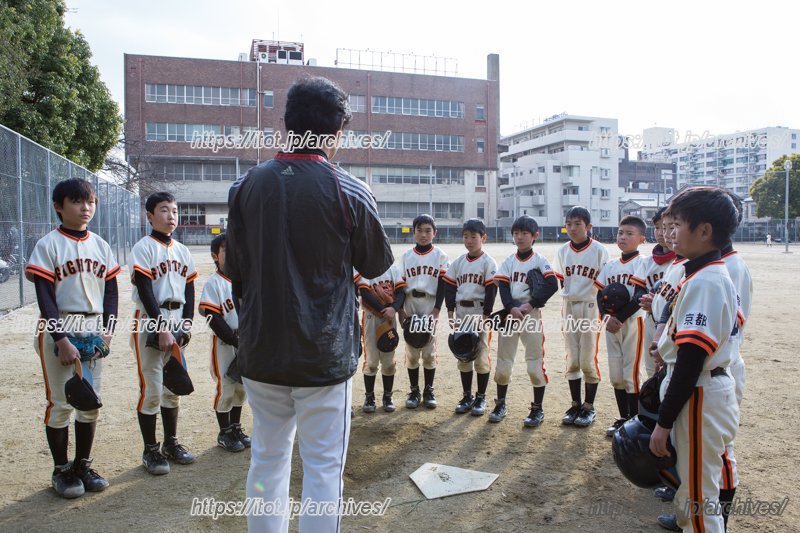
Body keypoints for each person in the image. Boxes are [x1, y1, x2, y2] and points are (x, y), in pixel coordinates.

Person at [226, 76, 393, 532]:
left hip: (261, 350)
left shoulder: (244, 187)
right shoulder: (350, 189)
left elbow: (234, 266)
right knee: (322, 469)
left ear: (286, 125)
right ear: (338, 129)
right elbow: (376, 263)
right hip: (323, 355)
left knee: (268, 459)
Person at [649, 186, 740, 533]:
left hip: (700, 392)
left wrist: (664, 422)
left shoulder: (707, 280)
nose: (671, 232)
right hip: (700, 390)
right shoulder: (699, 273)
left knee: (700, 501)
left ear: (704, 231)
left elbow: (690, 360)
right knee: (695, 494)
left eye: (679, 224)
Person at [26, 178, 120, 498]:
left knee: (89, 402)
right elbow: (45, 295)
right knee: (62, 402)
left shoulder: (101, 245)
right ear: (58, 206)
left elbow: (111, 293)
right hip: (61, 325)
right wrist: (60, 338)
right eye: (77, 201)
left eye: (90, 201)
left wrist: (108, 330)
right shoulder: (48, 244)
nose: (85, 208)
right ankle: (62, 470)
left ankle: (83, 465)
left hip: (93, 329)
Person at [130, 192, 198, 475]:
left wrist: (187, 323)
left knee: (172, 387)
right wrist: (160, 327)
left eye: (174, 210)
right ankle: (151, 450)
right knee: (153, 388)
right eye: (163, 210)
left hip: (177, 316)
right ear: (149, 215)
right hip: (151, 317)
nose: (171, 216)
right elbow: (145, 289)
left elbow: (190, 289)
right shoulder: (144, 247)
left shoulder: (183, 250)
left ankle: (171, 443)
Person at [490, 216, 558, 426]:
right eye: (516, 233)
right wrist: (510, 307)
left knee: (534, 365)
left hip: (531, 315)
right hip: (511, 316)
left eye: (524, 233)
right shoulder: (509, 261)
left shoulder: (539, 260)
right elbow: (502, 286)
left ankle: (537, 409)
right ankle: (500, 403)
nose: (519, 237)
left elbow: (552, 284)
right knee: (503, 364)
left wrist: (531, 304)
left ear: (535, 235)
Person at [552, 206, 609, 427]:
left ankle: (589, 406)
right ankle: (575, 404)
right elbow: (560, 279)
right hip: (569, 305)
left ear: (588, 227)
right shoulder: (563, 250)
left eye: (578, 224)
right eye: (569, 224)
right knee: (572, 359)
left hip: (590, 305)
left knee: (587, 359)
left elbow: (604, 285)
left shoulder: (599, 250)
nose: (573, 228)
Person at [594, 215, 648, 437]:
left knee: (631, 373)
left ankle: (634, 421)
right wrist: (606, 318)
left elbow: (639, 296)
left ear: (642, 239)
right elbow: (600, 293)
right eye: (620, 233)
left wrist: (620, 318)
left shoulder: (642, 262)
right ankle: (622, 418)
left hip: (632, 322)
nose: (623, 237)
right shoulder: (611, 265)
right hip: (611, 325)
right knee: (616, 374)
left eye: (629, 233)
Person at [198, 233, 250, 452]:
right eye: (226, 250)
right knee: (226, 387)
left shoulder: (246, 281)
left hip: (245, 341)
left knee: (242, 388)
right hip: (225, 342)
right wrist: (232, 339)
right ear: (214, 256)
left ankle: (236, 426)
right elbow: (211, 316)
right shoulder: (214, 283)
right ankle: (224, 431)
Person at [443, 218, 498, 416]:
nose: (469, 240)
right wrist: (450, 310)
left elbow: (491, 289)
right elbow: (449, 286)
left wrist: (486, 314)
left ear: (483, 237)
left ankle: (481, 397)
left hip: (479, 311)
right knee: (463, 355)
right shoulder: (458, 262)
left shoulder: (488, 262)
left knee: (481, 357)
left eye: (473, 237)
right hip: (461, 311)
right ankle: (467, 396)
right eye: (465, 236)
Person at [398, 214, 449, 409]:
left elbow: (443, 284)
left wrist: (437, 309)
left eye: (428, 231)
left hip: (429, 304)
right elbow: (401, 286)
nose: (423, 235)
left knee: (428, 350)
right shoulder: (406, 257)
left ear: (434, 233)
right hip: (411, 303)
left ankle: (428, 390)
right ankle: (413, 390)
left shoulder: (440, 256)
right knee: (412, 350)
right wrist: (400, 310)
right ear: (414, 232)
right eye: (419, 230)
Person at [357, 264, 406, 412]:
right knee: (371, 361)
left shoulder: (394, 269)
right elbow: (364, 292)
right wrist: (383, 309)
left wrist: (394, 308)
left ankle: (387, 396)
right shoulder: (365, 268)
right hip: (372, 317)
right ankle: (369, 397)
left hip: (389, 318)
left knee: (388, 360)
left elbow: (401, 292)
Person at [638, 207, 676, 379]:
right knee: (650, 369)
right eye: (659, 227)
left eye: (668, 227)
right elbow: (639, 287)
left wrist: (657, 301)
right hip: (651, 319)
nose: (662, 233)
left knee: (667, 370)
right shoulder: (648, 261)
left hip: (671, 323)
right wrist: (645, 298)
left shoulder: (683, 261)